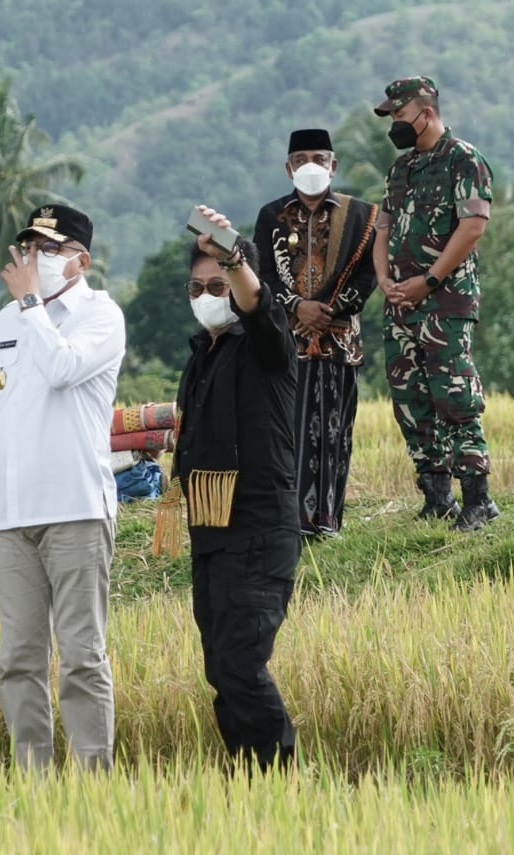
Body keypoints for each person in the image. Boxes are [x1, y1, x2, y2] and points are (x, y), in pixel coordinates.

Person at [0, 203, 125, 771]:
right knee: (18, 656)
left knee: (82, 655)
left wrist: (31, 303)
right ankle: (32, 777)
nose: (34, 258)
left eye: (49, 249)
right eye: (30, 247)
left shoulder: (101, 316)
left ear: (79, 261)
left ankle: (92, 779)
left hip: (75, 509)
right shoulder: (6, 321)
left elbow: (63, 369)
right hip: (12, 515)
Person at [161, 205, 300, 772]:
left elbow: (260, 307)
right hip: (210, 533)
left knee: (242, 664)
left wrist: (231, 252)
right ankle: (248, 777)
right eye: (197, 286)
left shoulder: (266, 344)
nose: (205, 293)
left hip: (257, 531)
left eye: (217, 284)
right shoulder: (203, 356)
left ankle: (280, 775)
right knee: (220, 667)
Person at [371, 76, 501, 531]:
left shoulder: (463, 159)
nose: (395, 127)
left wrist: (429, 280)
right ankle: (436, 495)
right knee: (411, 398)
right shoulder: (400, 170)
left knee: (454, 396)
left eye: (400, 117)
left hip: (444, 302)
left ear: (425, 113)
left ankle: (478, 499)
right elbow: (382, 229)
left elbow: (472, 227)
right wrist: (385, 280)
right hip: (401, 304)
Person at [255, 129, 378, 538]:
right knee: (288, 431)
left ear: (333, 165)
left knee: (334, 431)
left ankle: (327, 520)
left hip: (340, 340)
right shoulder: (271, 216)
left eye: (319, 158)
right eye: (302, 158)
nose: (311, 165)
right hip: (288, 344)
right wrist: (297, 308)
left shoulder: (361, 216)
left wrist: (328, 311)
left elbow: (368, 274)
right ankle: (292, 522)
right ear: (289, 167)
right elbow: (262, 273)